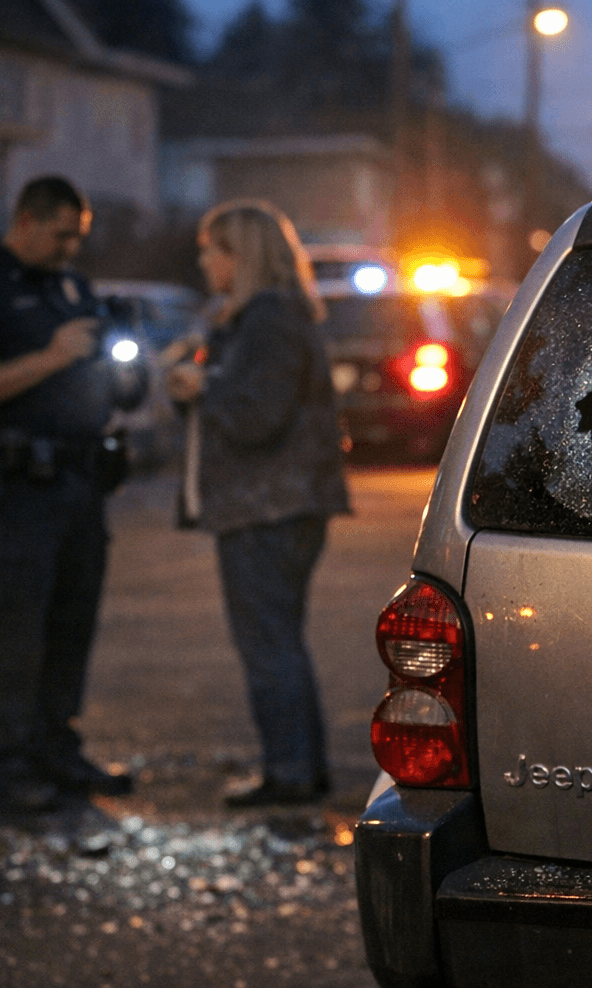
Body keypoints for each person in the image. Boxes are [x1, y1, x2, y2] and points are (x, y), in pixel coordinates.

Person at [0, 176, 135, 814]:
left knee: (70, 625)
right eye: (60, 234)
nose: (70, 247)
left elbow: (99, 370)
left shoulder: (69, 287)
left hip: (77, 484)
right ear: (25, 219)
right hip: (9, 492)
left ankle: (54, 749)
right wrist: (50, 357)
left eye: (78, 236)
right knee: (11, 633)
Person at [166, 200, 349, 806]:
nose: (203, 261)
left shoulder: (268, 317)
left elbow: (256, 416)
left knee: (269, 645)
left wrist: (202, 385)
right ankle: (299, 764)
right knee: (279, 641)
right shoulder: (267, 316)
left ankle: (291, 771)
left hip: (268, 507)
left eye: (211, 250)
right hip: (281, 504)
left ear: (239, 256)